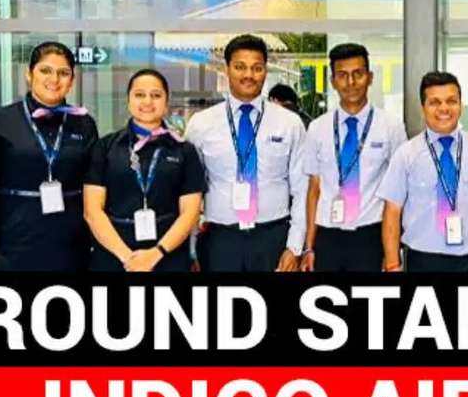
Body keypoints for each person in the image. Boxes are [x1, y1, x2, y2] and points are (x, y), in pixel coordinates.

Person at [186, 34, 307, 272]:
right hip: (219, 239)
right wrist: (190, 249)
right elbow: (190, 192)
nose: (248, 75)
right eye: (240, 67)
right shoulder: (201, 124)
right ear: (227, 69)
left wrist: (294, 247)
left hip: (273, 237)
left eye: (257, 68)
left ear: (265, 71)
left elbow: (302, 189)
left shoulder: (289, 123)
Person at [0, 42, 99, 270]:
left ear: (72, 80)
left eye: (63, 73)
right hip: (13, 239)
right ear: (29, 74)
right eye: (45, 70)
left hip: (69, 240)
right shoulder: (1, 120)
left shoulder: (84, 123)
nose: (54, 79)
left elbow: (91, 182)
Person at [378, 72, 468, 272]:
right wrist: (392, 265)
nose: (444, 108)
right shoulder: (406, 154)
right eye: (435, 102)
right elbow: (392, 211)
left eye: (451, 101)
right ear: (423, 107)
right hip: (422, 260)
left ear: (460, 105)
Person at [83, 69, 204, 271]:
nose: (147, 101)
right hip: (113, 256)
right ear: (128, 101)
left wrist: (156, 253)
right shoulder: (105, 147)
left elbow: (190, 212)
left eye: (156, 95)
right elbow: (92, 211)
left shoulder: (184, 150)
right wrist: (128, 258)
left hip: (168, 255)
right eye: (139, 95)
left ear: (166, 102)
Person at [300, 43, 406, 272]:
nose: (351, 82)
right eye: (342, 75)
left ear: (370, 77)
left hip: (371, 235)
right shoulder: (317, 128)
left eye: (358, 74)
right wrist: (309, 247)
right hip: (327, 236)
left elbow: (399, 192)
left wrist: (392, 251)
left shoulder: (391, 127)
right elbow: (314, 189)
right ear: (333, 81)